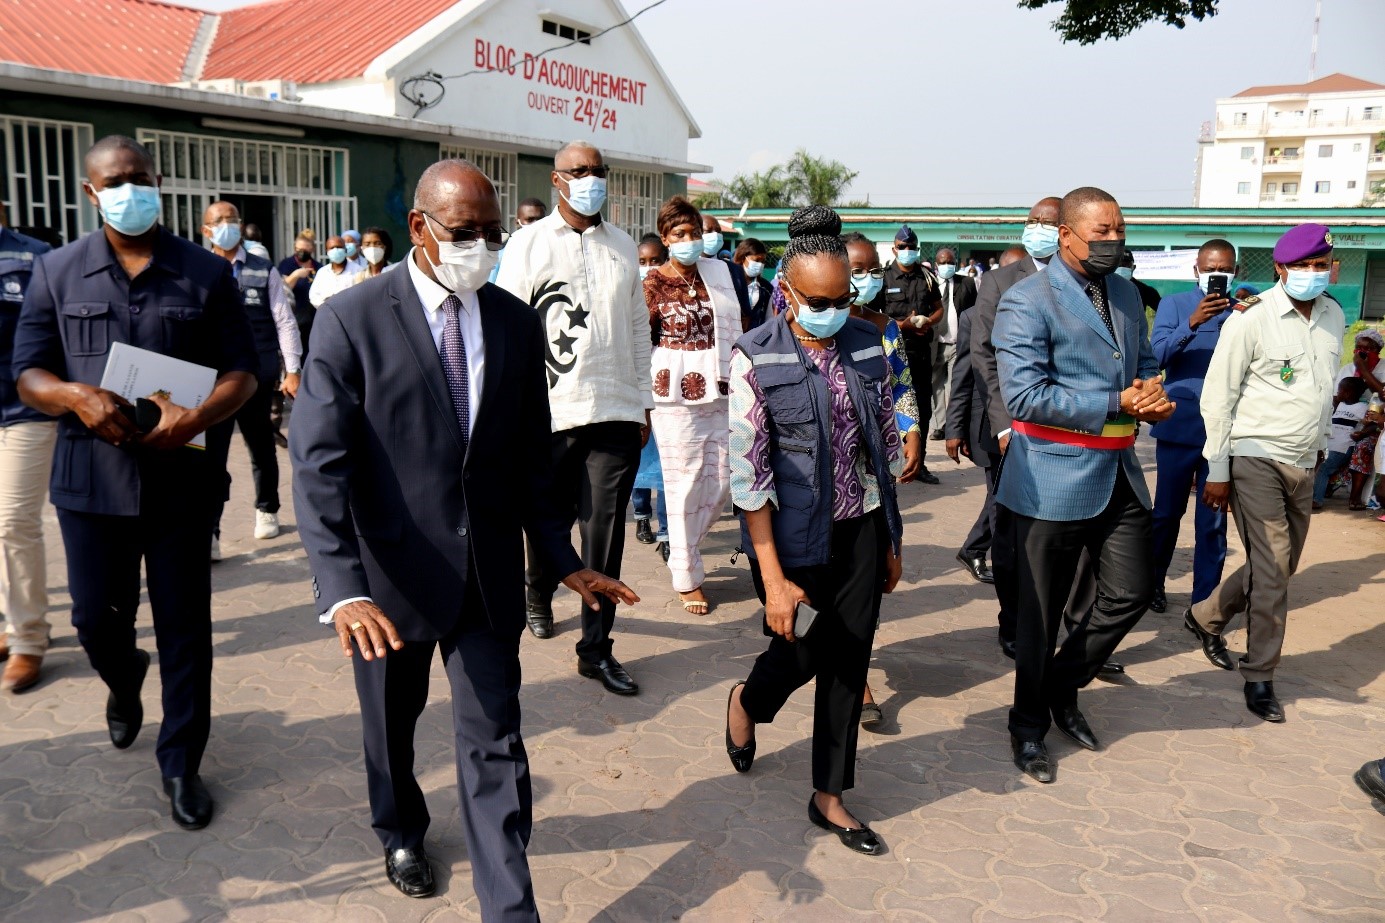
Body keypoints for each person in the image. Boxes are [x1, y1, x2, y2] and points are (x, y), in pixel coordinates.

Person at [291, 158, 637, 911]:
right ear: (419, 228)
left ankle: (510, 907)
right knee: (391, 726)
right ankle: (400, 827)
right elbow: (318, 464)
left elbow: (528, 459)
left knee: (494, 740)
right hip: (389, 585)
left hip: (484, 576)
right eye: (464, 233)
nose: (480, 247)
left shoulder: (512, 320)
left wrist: (562, 557)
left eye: (490, 233)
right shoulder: (352, 318)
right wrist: (342, 590)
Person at [12, 135, 258, 828]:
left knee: (186, 628)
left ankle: (180, 760)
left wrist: (198, 417)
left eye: (140, 178)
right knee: (94, 618)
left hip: (182, 480)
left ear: (158, 182)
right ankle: (124, 677)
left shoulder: (205, 273)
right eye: (115, 181)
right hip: (92, 482)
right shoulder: (57, 272)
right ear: (92, 194)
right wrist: (73, 396)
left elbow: (243, 371)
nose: (130, 190)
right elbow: (27, 371)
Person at [723, 205, 902, 855]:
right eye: (817, 300)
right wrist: (771, 578)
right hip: (790, 540)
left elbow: (879, 443)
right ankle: (747, 700)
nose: (831, 310)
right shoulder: (755, 356)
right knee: (796, 652)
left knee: (848, 660)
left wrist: (889, 539)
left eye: (841, 297)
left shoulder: (864, 342)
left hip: (858, 529)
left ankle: (829, 795)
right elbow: (749, 476)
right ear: (787, 291)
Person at [993, 186, 1172, 783]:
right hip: (1051, 475)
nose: (1113, 240)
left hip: (1119, 468)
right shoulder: (1027, 301)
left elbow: (1141, 360)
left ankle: (1060, 687)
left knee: (1131, 592)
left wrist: (1150, 393)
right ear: (1066, 234)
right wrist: (1115, 401)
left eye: (1119, 229)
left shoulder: (1124, 292)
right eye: (1101, 231)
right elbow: (1024, 395)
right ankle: (1027, 728)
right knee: (1039, 618)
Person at [496, 141, 652, 695]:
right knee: (547, 524)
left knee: (603, 536)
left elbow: (638, 327)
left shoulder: (623, 245)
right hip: (550, 413)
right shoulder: (527, 244)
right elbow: (507, 328)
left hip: (614, 410)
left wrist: (643, 402)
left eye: (599, 171)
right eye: (579, 171)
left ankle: (596, 648)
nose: (591, 179)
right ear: (557, 180)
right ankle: (537, 590)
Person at [1188, 223, 1346, 724]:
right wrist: (1217, 469)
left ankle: (1206, 616)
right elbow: (1219, 396)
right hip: (1255, 455)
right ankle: (1260, 675)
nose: (1313, 274)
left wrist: (1320, 449)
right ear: (1280, 270)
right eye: (1303, 266)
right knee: (1274, 567)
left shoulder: (1334, 315)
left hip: (1305, 458)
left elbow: (1320, 390)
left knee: (1279, 564)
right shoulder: (1250, 320)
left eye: (1321, 266)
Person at [972, 197, 1061, 657]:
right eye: (1033, 221)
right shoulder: (1001, 281)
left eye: (1048, 222)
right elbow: (984, 354)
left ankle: (1057, 622)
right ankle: (1012, 621)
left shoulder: (1087, 283)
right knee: (1010, 534)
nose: (1039, 228)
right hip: (1013, 431)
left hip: (1068, 429)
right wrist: (1005, 423)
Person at [643, 197, 739, 615]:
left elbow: (741, 326)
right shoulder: (650, 283)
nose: (689, 241)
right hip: (674, 396)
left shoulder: (718, 272)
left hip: (721, 387)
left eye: (694, 233)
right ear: (665, 238)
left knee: (722, 478)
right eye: (680, 234)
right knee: (684, 481)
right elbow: (639, 340)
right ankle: (686, 573)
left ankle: (684, 546)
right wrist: (641, 400)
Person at [844, 231, 920, 726]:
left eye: (873, 269)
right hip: (822, 475)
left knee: (869, 580)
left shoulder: (885, 329)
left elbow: (901, 388)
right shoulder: (805, 328)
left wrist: (913, 432)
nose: (865, 280)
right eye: (856, 269)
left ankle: (855, 676)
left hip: (874, 474)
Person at [201, 201, 303, 555]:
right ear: (206, 230)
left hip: (256, 376)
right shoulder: (196, 268)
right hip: (211, 381)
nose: (226, 225)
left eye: (232, 219)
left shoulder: (263, 269)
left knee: (260, 445)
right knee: (212, 455)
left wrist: (292, 369)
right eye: (219, 221)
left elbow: (284, 321)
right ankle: (210, 529)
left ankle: (266, 509)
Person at [1147, 240, 1236, 614]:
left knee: (1212, 522)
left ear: (1234, 272)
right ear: (1197, 271)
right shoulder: (1175, 304)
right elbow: (1157, 356)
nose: (1218, 276)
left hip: (1225, 432)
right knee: (1166, 514)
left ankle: (1205, 601)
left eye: (1226, 270)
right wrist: (1192, 322)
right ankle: (1151, 585)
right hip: (1180, 425)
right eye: (1211, 269)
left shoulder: (1245, 311)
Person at [0, 200, 56, 693]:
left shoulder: (35, 258)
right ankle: (11, 620)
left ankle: (28, 639)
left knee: (14, 521)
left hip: (24, 410)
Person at [943, 282, 1000, 586]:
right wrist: (955, 427)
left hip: (1032, 418)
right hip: (989, 421)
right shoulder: (974, 316)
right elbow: (962, 375)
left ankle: (975, 547)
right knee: (999, 493)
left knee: (1002, 493)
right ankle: (977, 548)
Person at [879, 224, 942, 485]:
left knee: (922, 410)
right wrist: (900, 325)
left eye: (911, 247)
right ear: (895, 249)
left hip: (919, 354)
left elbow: (938, 308)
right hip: (891, 355)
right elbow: (875, 316)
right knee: (887, 408)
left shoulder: (927, 277)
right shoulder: (883, 277)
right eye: (902, 247)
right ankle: (887, 463)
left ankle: (920, 462)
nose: (907, 251)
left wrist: (929, 322)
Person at [632, 235, 670, 556]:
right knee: (644, 460)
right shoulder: (630, 296)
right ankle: (642, 515)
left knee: (670, 465)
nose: (649, 268)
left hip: (671, 387)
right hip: (641, 385)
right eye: (642, 262)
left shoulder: (674, 294)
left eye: (655, 261)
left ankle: (669, 533)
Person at [928, 247, 976, 441]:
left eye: (950, 262)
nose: (947, 265)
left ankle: (953, 425)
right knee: (936, 386)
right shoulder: (930, 283)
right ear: (936, 264)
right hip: (935, 344)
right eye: (943, 262)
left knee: (954, 386)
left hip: (958, 343)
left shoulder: (967, 283)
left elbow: (974, 311)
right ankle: (938, 426)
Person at [1312, 377, 1369, 509]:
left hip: (1343, 446)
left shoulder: (1362, 407)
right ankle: (1316, 493)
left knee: (1324, 467)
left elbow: (1371, 424)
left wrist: (1362, 433)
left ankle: (1316, 500)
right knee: (1316, 463)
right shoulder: (1340, 405)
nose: (1337, 393)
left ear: (1348, 393)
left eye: (1340, 390)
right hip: (1330, 444)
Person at [701, 213, 752, 325]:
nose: (715, 235)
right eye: (708, 231)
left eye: (718, 231)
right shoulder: (690, 268)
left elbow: (745, 313)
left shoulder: (735, 270)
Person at [279, 229, 319, 351]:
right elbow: (283, 289)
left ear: (312, 249)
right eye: (298, 249)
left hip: (312, 317)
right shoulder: (287, 264)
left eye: (305, 250)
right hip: (294, 316)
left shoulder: (318, 267)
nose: (301, 252)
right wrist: (296, 275)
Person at [733, 238, 773, 330]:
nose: (760, 265)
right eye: (757, 260)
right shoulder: (729, 282)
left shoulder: (766, 288)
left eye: (763, 262)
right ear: (743, 258)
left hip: (754, 339)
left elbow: (769, 318)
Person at [308, 234, 358, 308]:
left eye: (339, 247)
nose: (336, 250)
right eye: (332, 248)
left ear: (345, 249)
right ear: (327, 251)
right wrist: (326, 306)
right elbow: (314, 296)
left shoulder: (358, 270)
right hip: (327, 313)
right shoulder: (322, 272)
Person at [1336, 328, 1385, 402]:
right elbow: (1336, 398)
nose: (1361, 352)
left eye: (1368, 348)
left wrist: (1364, 370)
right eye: (1358, 348)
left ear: (1378, 350)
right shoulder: (1346, 369)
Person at [1117, 250, 1163, 317]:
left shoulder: (1144, 290)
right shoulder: (1104, 287)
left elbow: (1164, 310)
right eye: (1119, 265)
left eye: (1126, 265)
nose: (1122, 268)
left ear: (1134, 267)